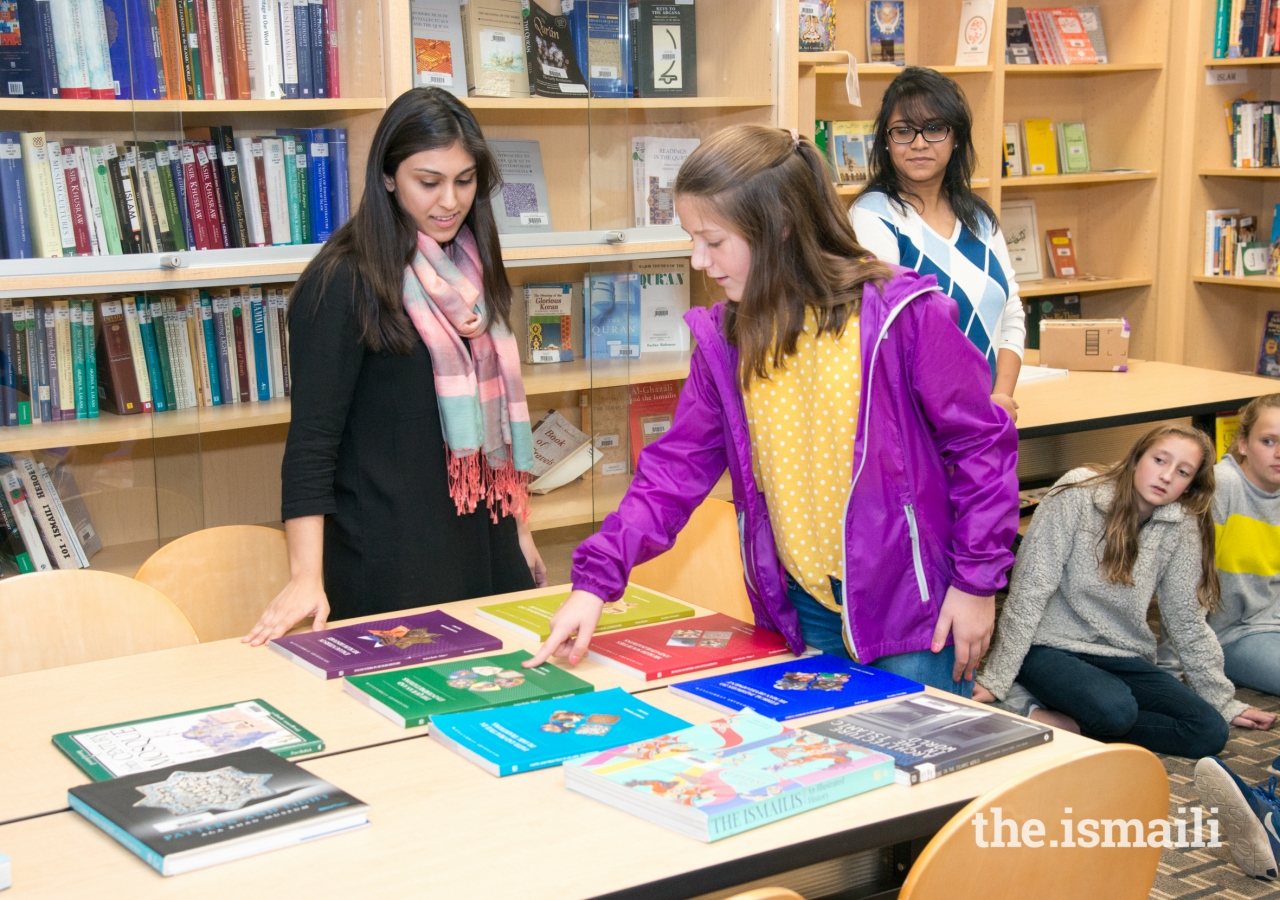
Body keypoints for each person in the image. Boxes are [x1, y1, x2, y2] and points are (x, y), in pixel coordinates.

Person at [525, 124, 1020, 696]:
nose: (698, 260)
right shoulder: (729, 338)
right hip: (803, 602)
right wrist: (595, 581)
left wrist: (977, 584)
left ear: (780, 225)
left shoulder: (903, 315)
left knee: (918, 768)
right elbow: (673, 470)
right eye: (692, 239)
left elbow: (983, 448)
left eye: (713, 240)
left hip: (914, 608)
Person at [244, 87, 545, 645]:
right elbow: (312, 446)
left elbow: (496, 423)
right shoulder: (341, 281)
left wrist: (518, 532)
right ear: (387, 177)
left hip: (484, 540)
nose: (449, 201)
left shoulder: (472, 264)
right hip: (393, 561)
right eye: (427, 182)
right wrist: (305, 577)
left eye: (465, 180)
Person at [975, 424, 1275, 758]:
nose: (1166, 476)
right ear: (1136, 458)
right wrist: (997, 678)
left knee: (1209, 730)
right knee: (1115, 710)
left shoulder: (1182, 524)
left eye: (1182, 472)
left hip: (1122, 653)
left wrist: (1223, 701)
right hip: (1050, 646)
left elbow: (1186, 620)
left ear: (1191, 484)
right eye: (1159, 460)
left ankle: (1060, 724)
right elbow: (1030, 589)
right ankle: (1021, 702)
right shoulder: (1078, 492)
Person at [849, 67, 1025, 422]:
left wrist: (1000, 397)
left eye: (933, 129)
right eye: (903, 131)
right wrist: (965, 412)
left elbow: (1012, 315)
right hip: (916, 424)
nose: (918, 143)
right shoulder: (873, 216)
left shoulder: (979, 218)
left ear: (956, 137)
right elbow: (891, 332)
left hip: (986, 421)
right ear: (885, 140)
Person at [1208, 394, 1280, 696]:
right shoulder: (1221, 486)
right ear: (1242, 444)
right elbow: (1183, 585)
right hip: (1235, 633)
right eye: (1268, 441)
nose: (1279, 453)